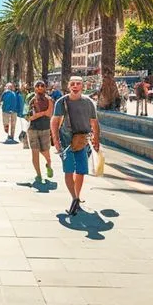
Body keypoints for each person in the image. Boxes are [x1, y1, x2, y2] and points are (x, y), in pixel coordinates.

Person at [51, 76, 100, 216]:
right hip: (66, 142)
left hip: (83, 142)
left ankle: (77, 196)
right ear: (68, 86)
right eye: (72, 83)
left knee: (81, 171)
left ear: (82, 86)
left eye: (78, 84)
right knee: (68, 170)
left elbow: (94, 123)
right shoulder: (61, 102)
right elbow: (54, 123)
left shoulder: (89, 102)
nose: (75, 86)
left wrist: (97, 139)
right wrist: (56, 142)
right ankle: (74, 198)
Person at [26, 80, 55, 183]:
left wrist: (38, 114)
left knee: (45, 151)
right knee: (35, 152)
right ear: (34, 88)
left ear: (45, 87)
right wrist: (42, 114)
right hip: (33, 129)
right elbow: (28, 117)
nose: (39, 87)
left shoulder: (49, 99)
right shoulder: (31, 99)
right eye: (37, 85)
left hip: (45, 128)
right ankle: (38, 175)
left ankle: (49, 164)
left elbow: (49, 114)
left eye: (42, 85)